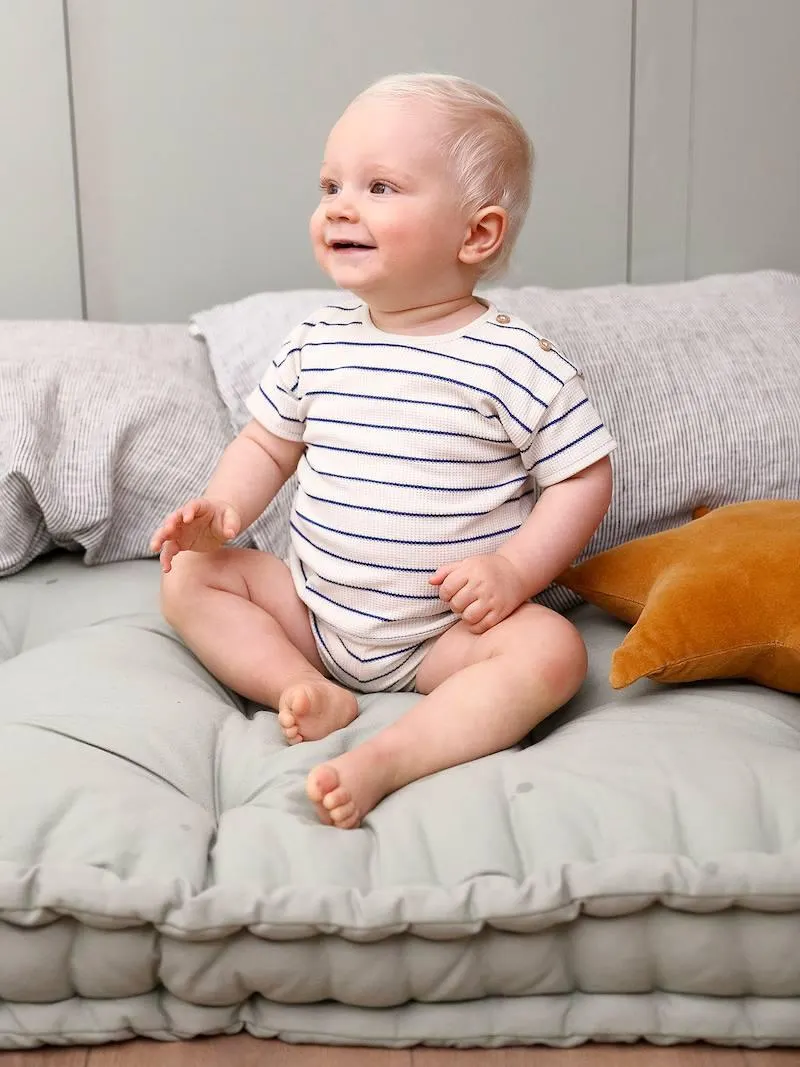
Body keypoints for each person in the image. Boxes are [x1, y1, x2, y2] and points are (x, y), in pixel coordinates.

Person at [151, 73, 616, 829]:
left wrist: (514, 570)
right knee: (188, 576)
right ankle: (301, 686)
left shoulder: (512, 359)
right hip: (313, 613)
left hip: (446, 636)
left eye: (380, 187)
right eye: (331, 183)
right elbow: (266, 444)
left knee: (553, 652)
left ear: (476, 234)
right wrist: (221, 513)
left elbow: (583, 479)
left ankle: (391, 757)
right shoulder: (318, 340)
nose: (339, 205)